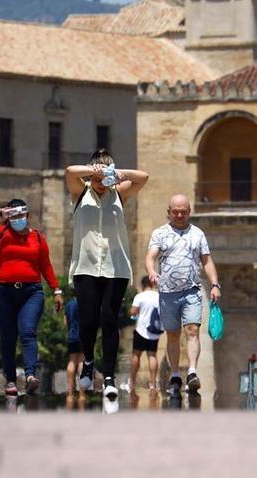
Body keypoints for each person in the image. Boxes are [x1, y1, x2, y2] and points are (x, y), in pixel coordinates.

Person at [66, 149, 149, 401]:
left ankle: (110, 377)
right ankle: (89, 360)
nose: (103, 183)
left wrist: (118, 173)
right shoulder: (80, 193)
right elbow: (70, 171)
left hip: (116, 268)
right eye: (99, 178)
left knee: (109, 319)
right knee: (89, 321)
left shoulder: (119, 194)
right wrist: (94, 172)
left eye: (106, 178)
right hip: (86, 266)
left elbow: (143, 177)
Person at [0, 198, 63, 396]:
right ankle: (11, 381)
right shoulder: (0, 233)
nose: (17, 219)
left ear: (27, 215)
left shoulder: (38, 238)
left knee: (28, 332)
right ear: (7, 216)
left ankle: (31, 375)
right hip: (3, 292)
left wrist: (56, 290)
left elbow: (45, 266)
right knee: (8, 336)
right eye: (13, 216)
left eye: (20, 215)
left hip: (31, 292)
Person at [145, 194, 220, 396]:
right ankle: (176, 374)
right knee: (173, 335)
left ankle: (193, 372)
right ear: (169, 212)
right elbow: (151, 256)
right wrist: (151, 271)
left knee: (193, 330)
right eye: (175, 211)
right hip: (168, 293)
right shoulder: (159, 233)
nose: (179, 215)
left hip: (192, 291)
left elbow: (207, 261)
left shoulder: (198, 234)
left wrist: (214, 284)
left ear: (189, 212)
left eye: (183, 211)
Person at [127, 276, 162, 392]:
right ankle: (153, 383)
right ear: (152, 284)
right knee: (152, 355)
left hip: (141, 330)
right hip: (154, 331)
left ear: (142, 285)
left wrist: (132, 312)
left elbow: (133, 312)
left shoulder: (140, 296)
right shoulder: (158, 296)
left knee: (136, 355)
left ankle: (131, 382)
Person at [64, 296, 83, 394]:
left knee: (72, 362)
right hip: (83, 336)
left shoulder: (69, 304)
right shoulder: (85, 302)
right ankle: (82, 391)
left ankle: (70, 390)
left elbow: (65, 322)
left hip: (72, 335)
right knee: (81, 362)